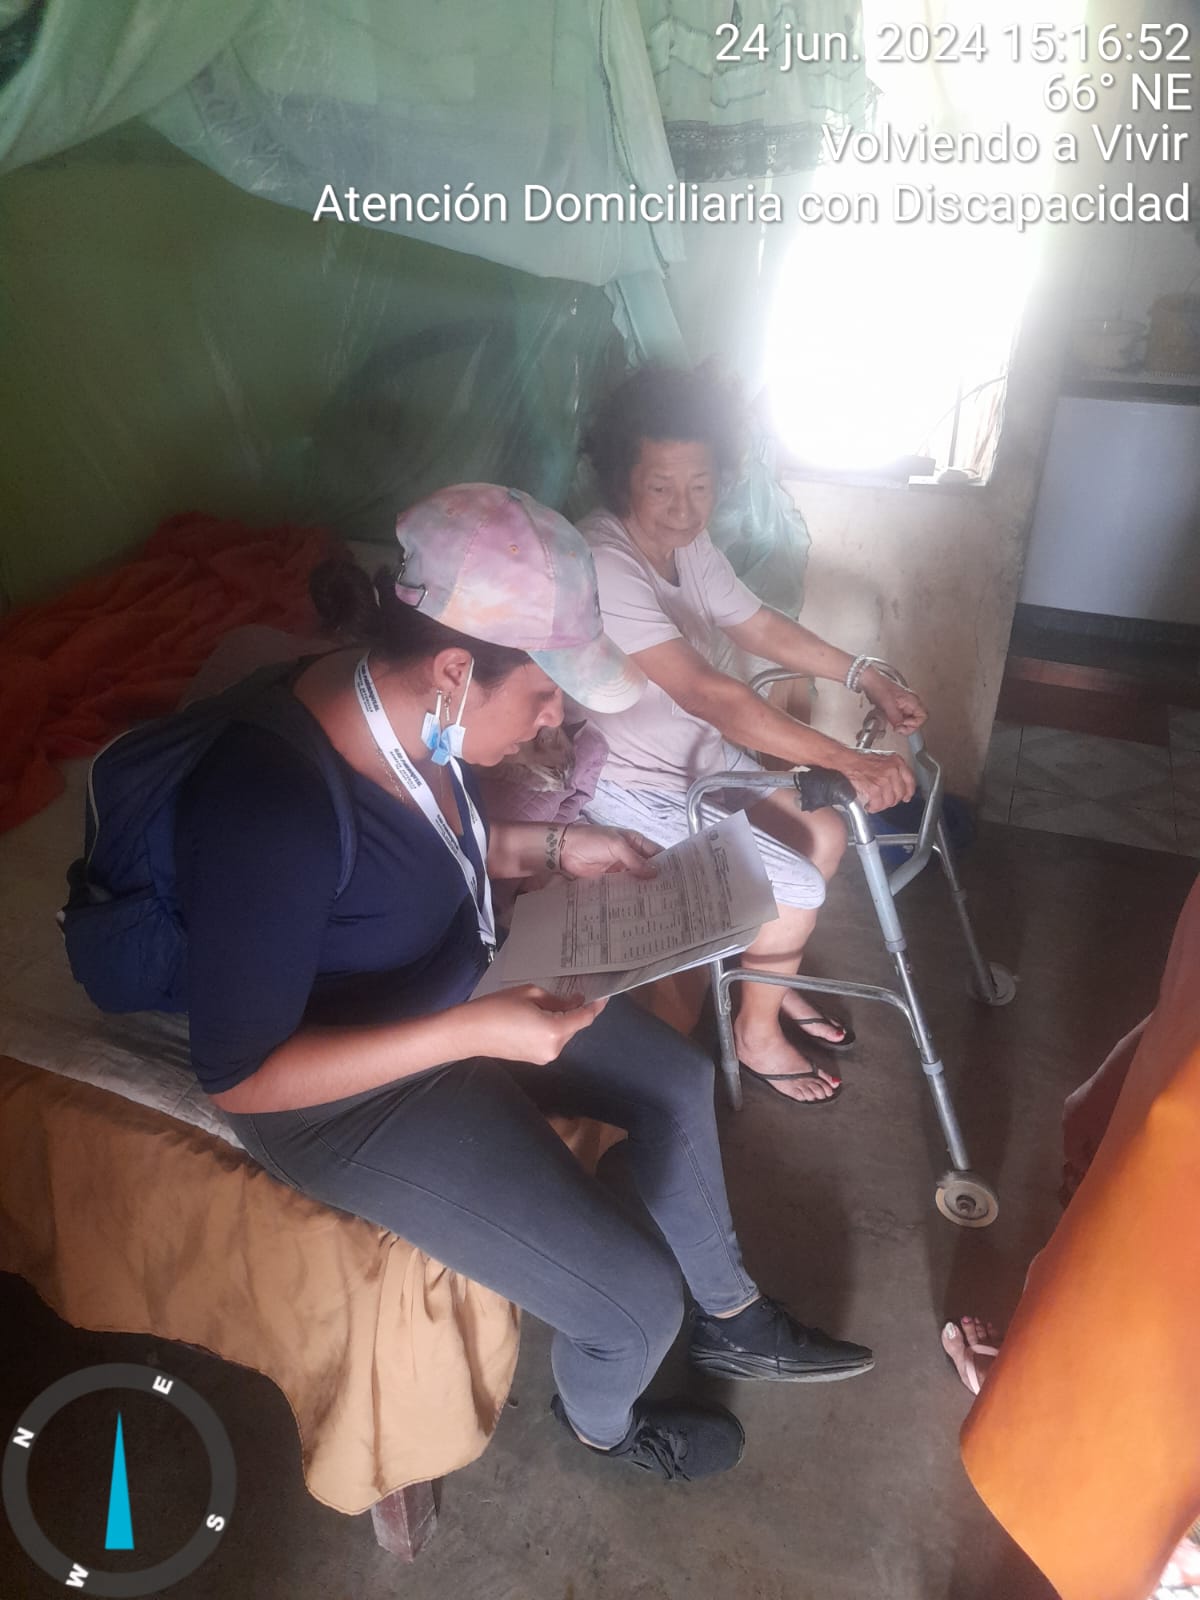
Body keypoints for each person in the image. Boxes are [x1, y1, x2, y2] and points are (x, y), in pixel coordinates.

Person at [173, 483, 875, 1482]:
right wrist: (473, 1034)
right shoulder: (269, 806)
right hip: (341, 1095)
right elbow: (240, 1078)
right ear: (456, 668)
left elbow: (419, 853)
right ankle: (604, 1430)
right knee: (634, 1306)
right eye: (546, 693)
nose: (558, 720)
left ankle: (732, 1316)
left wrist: (554, 846)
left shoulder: (413, 708)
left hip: (454, 978)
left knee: (675, 1081)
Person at [577, 366, 929, 1106]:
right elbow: (709, 694)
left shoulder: (688, 546)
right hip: (631, 783)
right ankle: (755, 1032)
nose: (683, 508)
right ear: (621, 478)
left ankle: (768, 976)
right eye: (660, 486)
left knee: (823, 831)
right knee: (797, 882)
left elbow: (757, 623)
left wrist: (862, 672)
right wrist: (847, 758)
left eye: (700, 485)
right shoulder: (606, 559)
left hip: (696, 764)